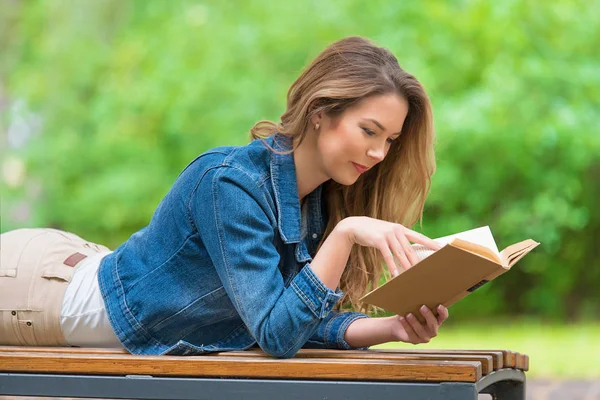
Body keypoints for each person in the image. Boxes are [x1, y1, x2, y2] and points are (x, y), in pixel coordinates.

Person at [0, 36, 448, 357]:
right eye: (368, 131)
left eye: (389, 140)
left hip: (85, 265)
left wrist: (392, 328)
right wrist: (347, 235)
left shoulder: (317, 200)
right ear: (319, 112)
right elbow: (277, 337)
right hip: (37, 290)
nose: (377, 153)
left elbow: (295, 320)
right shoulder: (230, 184)